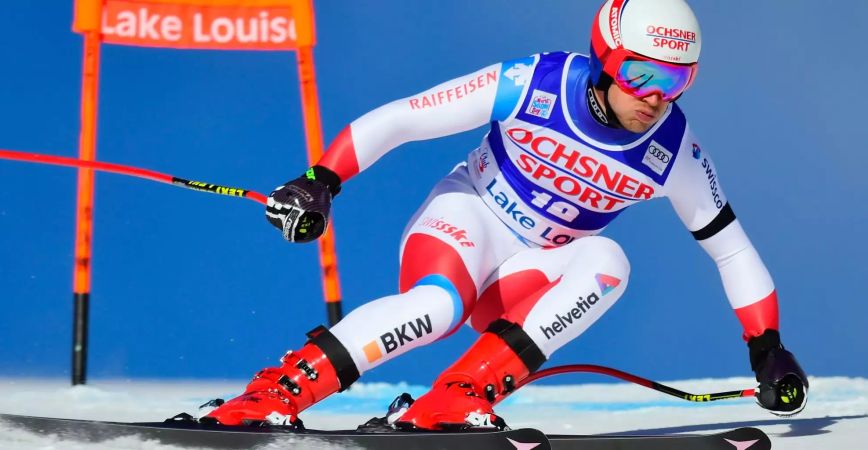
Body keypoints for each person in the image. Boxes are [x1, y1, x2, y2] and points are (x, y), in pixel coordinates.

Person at [202, 0, 808, 430]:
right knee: (437, 308)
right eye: (640, 73)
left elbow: (730, 246)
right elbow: (403, 118)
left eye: (677, 79)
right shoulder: (535, 82)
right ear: (606, 59)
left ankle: (455, 398)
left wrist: (768, 349)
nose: (655, 94)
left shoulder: (672, 151)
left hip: (527, 274)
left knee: (608, 263)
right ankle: (269, 395)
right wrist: (321, 180)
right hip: (468, 220)